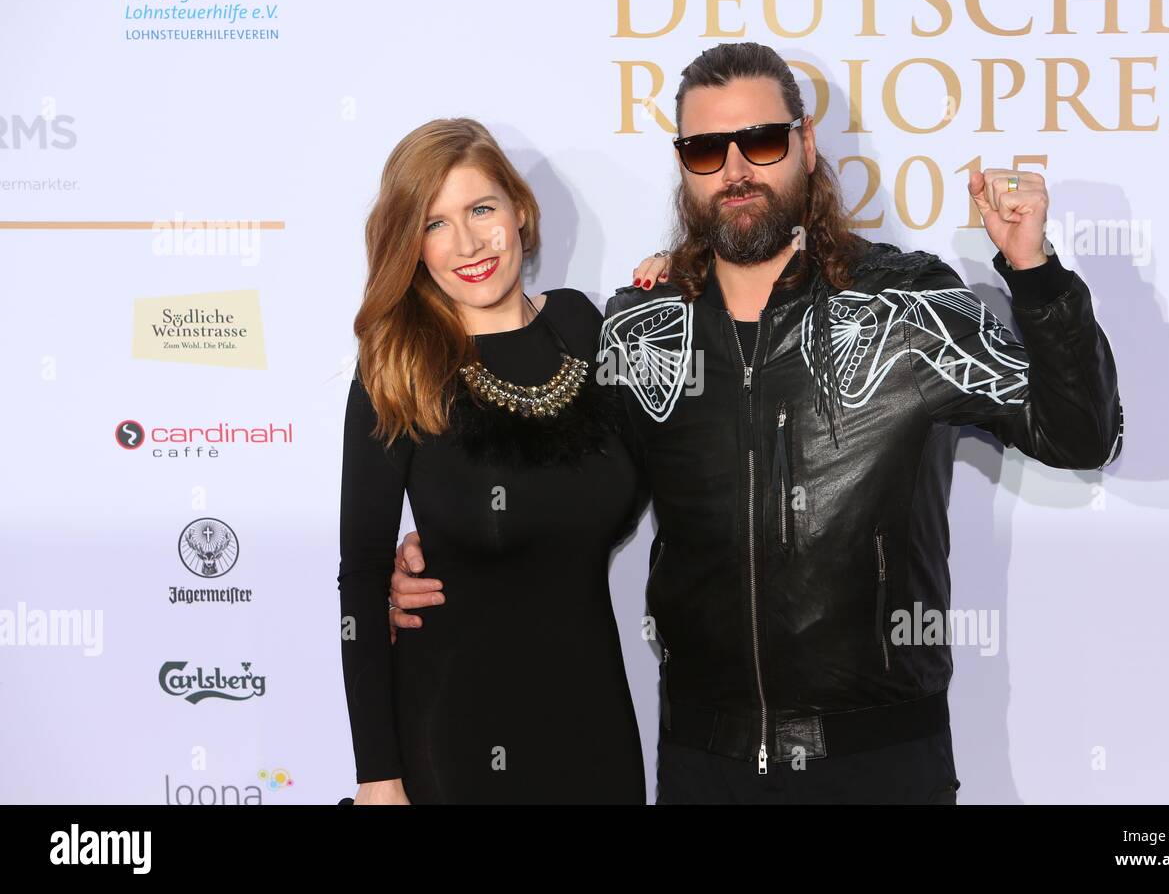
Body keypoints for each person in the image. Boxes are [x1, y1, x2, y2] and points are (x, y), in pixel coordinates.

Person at [388, 42, 1124, 804]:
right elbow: (563, 497)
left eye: (762, 142)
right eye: (707, 150)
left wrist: (1033, 271)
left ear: (806, 146)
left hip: (883, 765)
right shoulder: (644, 329)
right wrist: (441, 561)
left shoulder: (909, 305)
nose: (736, 170)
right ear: (683, 166)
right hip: (706, 767)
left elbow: (1079, 434)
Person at [338, 117, 655, 804]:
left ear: (519, 210)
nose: (468, 243)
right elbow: (362, 577)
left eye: (481, 209)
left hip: (594, 719)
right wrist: (378, 777)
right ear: (412, 244)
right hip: (457, 729)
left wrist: (674, 280)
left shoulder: (583, 325)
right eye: (435, 223)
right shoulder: (397, 368)